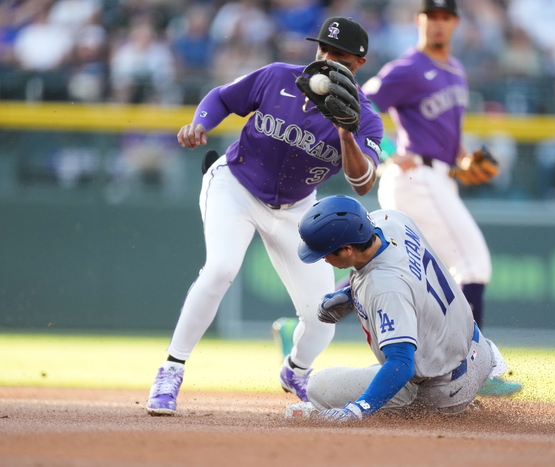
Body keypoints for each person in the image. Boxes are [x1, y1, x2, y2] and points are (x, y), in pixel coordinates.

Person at [146, 16, 383, 415]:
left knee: (322, 313)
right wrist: (200, 123)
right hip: (235, 186)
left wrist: (346, 132)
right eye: (323, 49)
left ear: (358, 63)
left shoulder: (366, 118)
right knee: (220, 268)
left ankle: (296, 370)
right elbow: (222, 98)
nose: (327, 59)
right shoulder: (278, 77)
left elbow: (363, 183)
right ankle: (171, 369)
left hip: (297, 208)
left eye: (339, 55)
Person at [360, 0, 521, 396]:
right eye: (431, 16)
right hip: (416, 177)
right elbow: (359, 104)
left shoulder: (456, 70)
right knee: (472, 264)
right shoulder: (409, 67)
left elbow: (451, 136)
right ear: (420, 20)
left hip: (437, 177)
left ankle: (310, 319)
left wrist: (463, 159)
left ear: (455, 23)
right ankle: (468, 371)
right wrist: (386, 151)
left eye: (445, 17)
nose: (438, 24)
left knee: (403, 274)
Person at [286, 195, 510, 422]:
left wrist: (358, 410)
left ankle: (438, 409)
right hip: (477, 350)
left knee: (319, 387)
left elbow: (401, 364)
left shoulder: (384, 288)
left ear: (347, 248)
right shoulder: (392, 220)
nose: (323, 259)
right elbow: (409, 281)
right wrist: (352, 295)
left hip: (442, 389)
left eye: (324, 252)